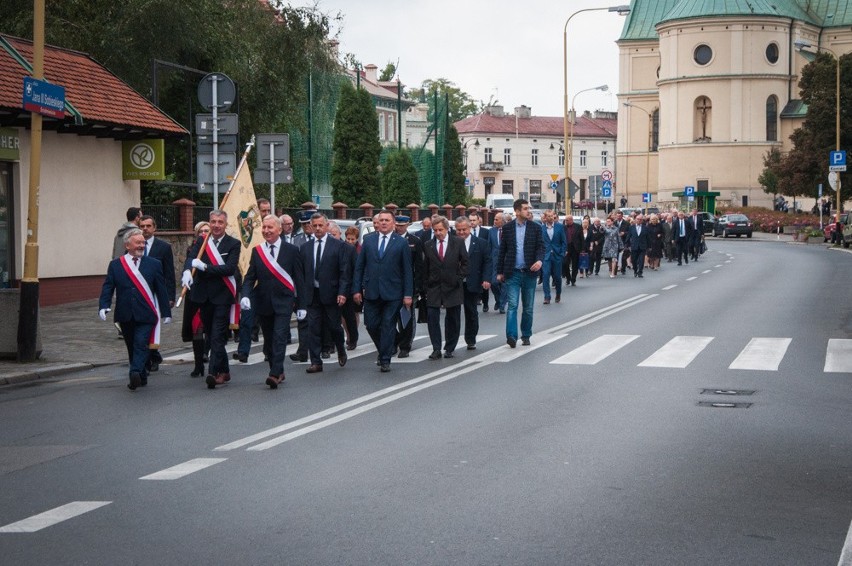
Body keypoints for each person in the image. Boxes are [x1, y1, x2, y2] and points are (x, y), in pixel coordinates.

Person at [99, 229, 172, 391]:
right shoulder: (116, 265)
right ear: (127, 245)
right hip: (125, 314)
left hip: (147, 314)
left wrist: (166, 312)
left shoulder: (154, 264)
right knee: (132, 346)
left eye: (143, 243)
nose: (141, 245)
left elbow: (161, 290)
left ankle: (135, 373)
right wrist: (104, 306)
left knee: (140, 343)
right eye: (138, 242)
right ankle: (142, 376)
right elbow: (108, 287)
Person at [241, 215, 303, 389]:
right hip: (264, 303)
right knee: (268, 341)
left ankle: (274, 374)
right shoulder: (258, 251)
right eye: (264, 228)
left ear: (279, 229)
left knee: (279, 337)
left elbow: (299, 279)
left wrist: (302, 304)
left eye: (270, 228)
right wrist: (245, 294)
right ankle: (278, 370)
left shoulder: (291, 250)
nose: (266, 231)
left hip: (284, 302)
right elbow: (250, 277)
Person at [182, 209, 241, 389]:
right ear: (209, 223)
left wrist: (206, 267)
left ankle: (213, 373)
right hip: (203, 296)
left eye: (220, 222)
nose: (216, 225)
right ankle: (225, 371)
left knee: (216, 336)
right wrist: (186, 271)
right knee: (210, 334)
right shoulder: (202, 240)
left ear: (226, 224)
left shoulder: (233, 244)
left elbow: (230, 269)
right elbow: (191, 258)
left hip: (222, 296)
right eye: (213, 222)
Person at [352, 210, 413, 372]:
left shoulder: (401, 243)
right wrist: (356, 289)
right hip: (372, 291)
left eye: (387, 220)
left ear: (393, 223)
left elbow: (407, 270)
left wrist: (408, 294)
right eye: (381, 220)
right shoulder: (369, 240)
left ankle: (385, 358)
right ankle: (386, 347)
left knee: (388, 324)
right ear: (377, 223)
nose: (384, 223)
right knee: (371, 324)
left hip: (393, 292)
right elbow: (360, 266)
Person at [298, 213, 350, 374]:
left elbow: (344, 271)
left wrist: (342, 292)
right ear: (311, 227)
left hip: (331, 293)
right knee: (313, 327)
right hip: (312, 294)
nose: (318, 228)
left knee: (334, 326)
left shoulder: (337, 246)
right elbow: (302, 272)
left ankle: (341, 348)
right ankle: (316, 361)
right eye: (315, 226)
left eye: (321, 225)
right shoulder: (305, 248)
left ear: (327, 226)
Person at [496, 199, 544, 348]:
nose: (528, 211)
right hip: (513, 272)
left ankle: (526, 335)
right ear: (516, 211)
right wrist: (499, 272)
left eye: (528, 208)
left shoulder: (535, 228)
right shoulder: (508, 228)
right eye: (524, 208)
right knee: (513, 305)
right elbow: (502, 250)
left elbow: (541, 247)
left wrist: (539, 261)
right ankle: (511, 336)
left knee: (528, 307)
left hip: (529, 272)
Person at [422, 216, 468, 359]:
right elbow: (425, 267)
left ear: (447, 229)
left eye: (440, 230)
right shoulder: (428, 244)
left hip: (452, 286)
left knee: (453, 318)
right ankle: (436, 348)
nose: (438, 233)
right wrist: (425, 285)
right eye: (435, 230)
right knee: (432, 318)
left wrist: (458, 278)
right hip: (434, 286)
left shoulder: (458, 242)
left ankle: (449, 347)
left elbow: (466, 263)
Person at [138, 214, 176, 373]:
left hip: (155, 293)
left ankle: (153, 354)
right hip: (139, 293)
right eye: (142, 226)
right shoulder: (135, 246)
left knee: (154, 325)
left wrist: (170, 296)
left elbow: (169, 274)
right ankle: (148, 355)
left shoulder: (163, 247)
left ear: (154, 228)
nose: (145, 229)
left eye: (148, 226)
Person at [454, 216, 490, 351]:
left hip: (472, 282)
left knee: (471, 312)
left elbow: (487, 261)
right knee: (454, 313)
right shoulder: (451, 242)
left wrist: (486, 279)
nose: (461, 232)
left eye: (464, 229)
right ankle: (452, 341)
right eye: (458, 230)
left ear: (470, 228)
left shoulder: (480, 243)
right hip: (455, 283)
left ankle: (471, 339)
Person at [393, 216, 425, 358]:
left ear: (407, 225)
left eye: (402, 225)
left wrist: (417, 287)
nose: (400, 227)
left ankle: (405, 345)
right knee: (390, 317)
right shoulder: (391, 240)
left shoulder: (414, 241)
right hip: (393, 284)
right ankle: (395, 340)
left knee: (406, 317)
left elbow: (419, 266)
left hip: (409, 284)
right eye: (398, 225)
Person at [182, 221, 210, 377]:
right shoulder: (192, 249)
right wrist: (187, 271)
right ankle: (198, 362)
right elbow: (188, 263)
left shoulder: (215, 248)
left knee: (212, 330)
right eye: (201, 231)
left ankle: (209, 353)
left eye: (207, 230)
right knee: (196, 329)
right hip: (196, 295)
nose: (204, 233)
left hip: (211, 294)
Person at [289, 210, 316, 362]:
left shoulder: (323, 240)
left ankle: (326, 346)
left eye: (309, 224)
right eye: (304, 224)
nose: (307, 227)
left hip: (318, 286)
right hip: (301, 286)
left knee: (320, 321)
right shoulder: (296, 240)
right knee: (302, 320)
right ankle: (303, 351)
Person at [341, 226, 361, 350]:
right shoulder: (342, 248)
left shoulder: (360, 249)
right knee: (344, 314)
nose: (350, 241)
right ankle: (348, 335)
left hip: (355, 286)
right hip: (344, 286)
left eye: (352, 239)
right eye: (348, 239)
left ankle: (353, 337)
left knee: (354, 314)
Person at [540, 210, 566, 304]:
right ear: (545, 218)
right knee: (545, 276)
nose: (551, 218)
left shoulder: (559, 227)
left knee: (557, 277)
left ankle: (558, 293)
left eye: (552, 216)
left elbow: (564, 241)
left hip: (557, 255)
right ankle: (547, 297)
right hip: (546, 256)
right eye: (549, 216)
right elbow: (539, 243)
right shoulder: (541, 228)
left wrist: (562, 253)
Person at [468, 211, 491, 312]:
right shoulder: (466, 232)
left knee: (484, 284)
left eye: (474, 220)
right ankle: (476, 299)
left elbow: (489, 246)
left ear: (478, 220)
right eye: (470, 220)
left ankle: (485, 303)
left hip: (482, 261)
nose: (472, 222)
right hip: (472, 262)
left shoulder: (485, 232)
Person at [488, 212, 508, 313]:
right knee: (494, 283)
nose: (494, 221)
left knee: (504, 283)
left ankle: (502, 305)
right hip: (494, 261)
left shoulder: (508, 230)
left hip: (506, 260)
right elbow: (489, 246)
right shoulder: (491, 231)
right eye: (494, 219)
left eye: (497, 219)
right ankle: (498, 299)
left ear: (502, 221)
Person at [562, 216, 583, 287]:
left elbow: (581, 238)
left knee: (575, 264)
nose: (566, 221)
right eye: (565, 220)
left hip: (575, 248)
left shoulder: (578, 227)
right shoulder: (563, 227)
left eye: (567, 220)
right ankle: (568, 278)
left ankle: (573, 279)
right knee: (565, 263)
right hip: (566, 248)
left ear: (571, 220)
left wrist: (582, 249)